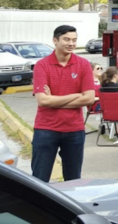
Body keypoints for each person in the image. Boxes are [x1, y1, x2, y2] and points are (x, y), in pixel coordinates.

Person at [31, 25, 96, 182]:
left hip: (74, 130)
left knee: (73, 180)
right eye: (66, 39)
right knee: (39, 180)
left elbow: (88, 99)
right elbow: (43, 100)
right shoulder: (42, 65)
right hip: (46, 129)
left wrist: (54, 100)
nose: (71, 44)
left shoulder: (83, 64)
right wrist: (75, 95)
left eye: (74, 40)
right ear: (55, 40)